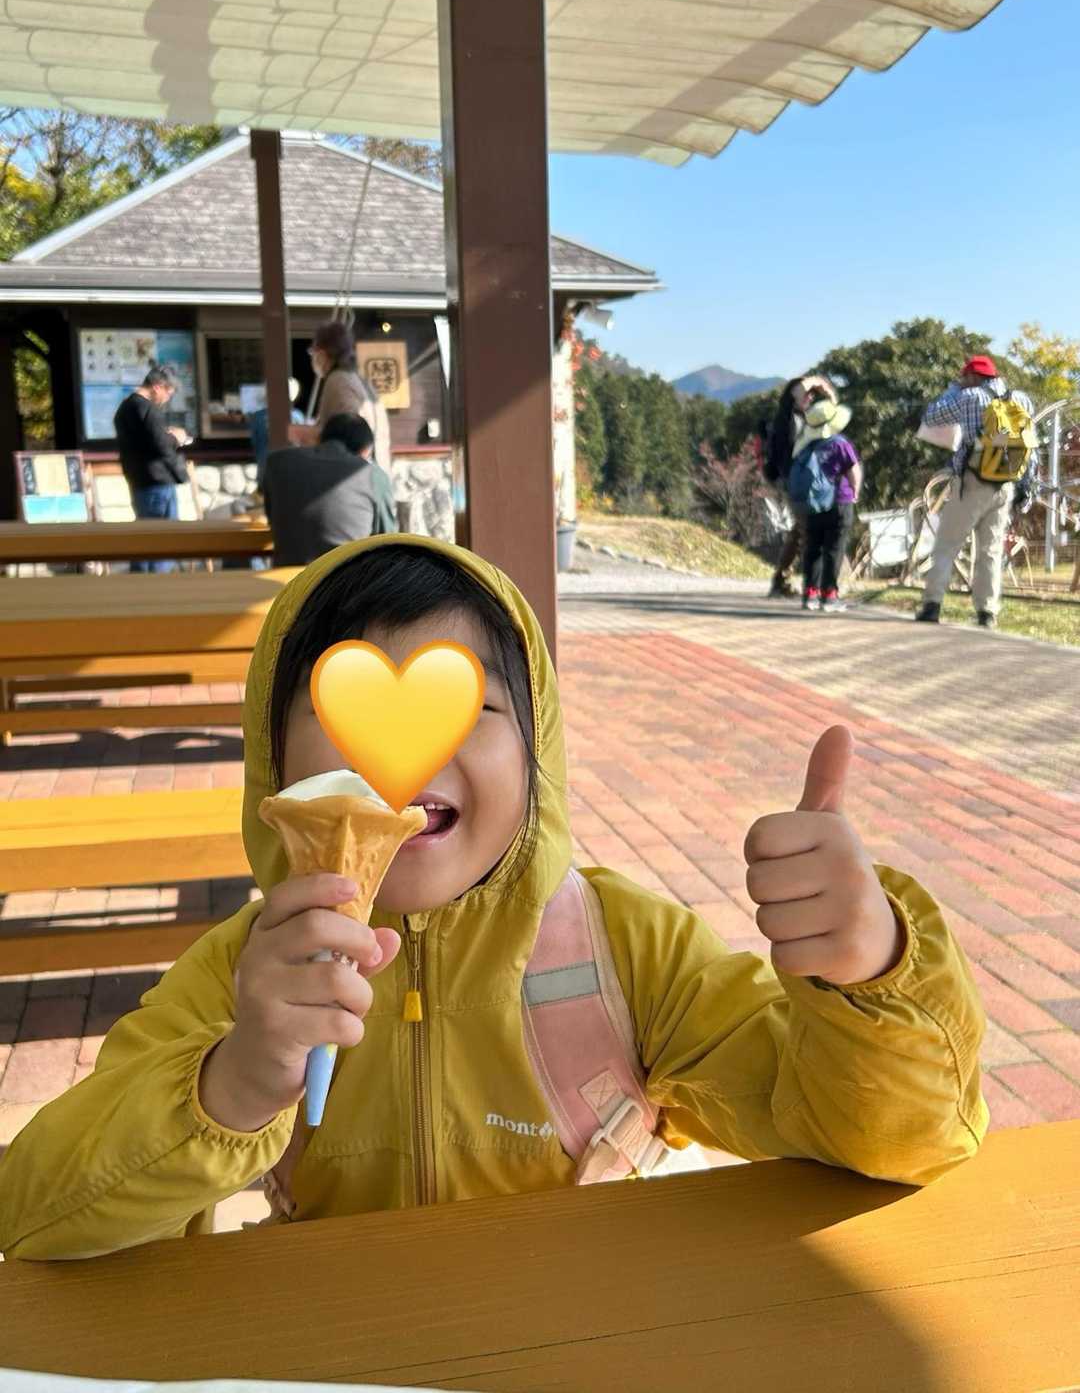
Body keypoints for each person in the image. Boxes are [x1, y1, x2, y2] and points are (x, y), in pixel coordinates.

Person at [0, 534, 988, 1260]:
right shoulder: (244, 974)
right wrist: (230, 1083)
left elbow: (890, 1143)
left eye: (467, 707)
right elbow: (37, 1214)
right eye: (345, 708)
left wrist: (872, 973)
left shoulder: (627, 949)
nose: (404, 752)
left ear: (536, 752)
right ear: (274, 759)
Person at [916, 355, 1037, 630]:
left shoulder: (969, 396)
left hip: (973, 482)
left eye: (964, 377)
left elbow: (931, 417)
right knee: (991, 551)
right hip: (1005, 484)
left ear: (972, 377)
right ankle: (987, 612)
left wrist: (952, 390)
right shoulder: (1021, 399)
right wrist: (1026, 486)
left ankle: (932, 605)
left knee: (947, 544)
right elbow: (1031, 445)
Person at [262, 413, 399, 567]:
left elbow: (271, 516)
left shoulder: (276, 463)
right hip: (346, 576)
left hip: (287, 576)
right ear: (363, 451)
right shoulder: (372, 475)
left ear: (320, 438)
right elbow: (388, 542)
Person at [113, 364, 192, 573]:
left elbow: (147, 441)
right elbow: (161, 445)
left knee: (144, 538)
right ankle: (160, 583)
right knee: (164, 540)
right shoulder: (147, 409)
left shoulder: (125, 408)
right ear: (157, 387)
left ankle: (140, 582)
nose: (167, 399)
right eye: (168, 393)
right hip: (157, 482)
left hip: (138, 480)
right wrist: (176, 438)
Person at [764, 374, 837, 597]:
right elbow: (797, 392)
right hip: (793, 481)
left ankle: (781, 580)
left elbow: (833, 407)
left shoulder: (808, 418)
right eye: (807, 394)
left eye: (813, 395)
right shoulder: (786, 418)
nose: (811, 397)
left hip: (804, 480)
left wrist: (825, 389)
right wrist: (813, 382)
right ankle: (815, 586)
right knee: (811, 531)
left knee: (799, 532)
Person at [791, 394, 862, 613]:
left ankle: (810, 594)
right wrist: (855, 492)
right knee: (834, 548)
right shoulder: (840, 444)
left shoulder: (806, 446)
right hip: (838, 502)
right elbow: (853, 471)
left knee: (813, 547)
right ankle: (829, 596)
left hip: (812, 505)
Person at [303, 321, 391, 474]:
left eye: (314, 352)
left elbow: (346, 433)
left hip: (354, 474)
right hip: (376, 471)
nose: (314, 358)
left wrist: (302, 433)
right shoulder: (358, 379)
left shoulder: (337, 380)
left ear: (323, 354)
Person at [248, 377, 306, 483]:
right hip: (293, 470)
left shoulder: (257, 417)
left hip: (266, 469)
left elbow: (255, 443)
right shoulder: (298, 417)